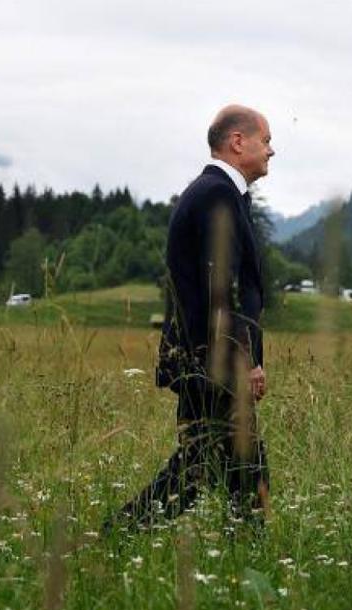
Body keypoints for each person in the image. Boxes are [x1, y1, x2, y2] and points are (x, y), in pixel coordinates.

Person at [116, 105, 275, 530]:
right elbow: (220, 290)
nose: (271, 151)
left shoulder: (220, 194)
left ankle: (241, 556)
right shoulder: (216, 195)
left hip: (207, 358)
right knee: (219, 470)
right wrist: (247, 361)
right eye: (266, 140)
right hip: (211, 360)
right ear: (238, 142)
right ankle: (117, 537)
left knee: (215, 468)